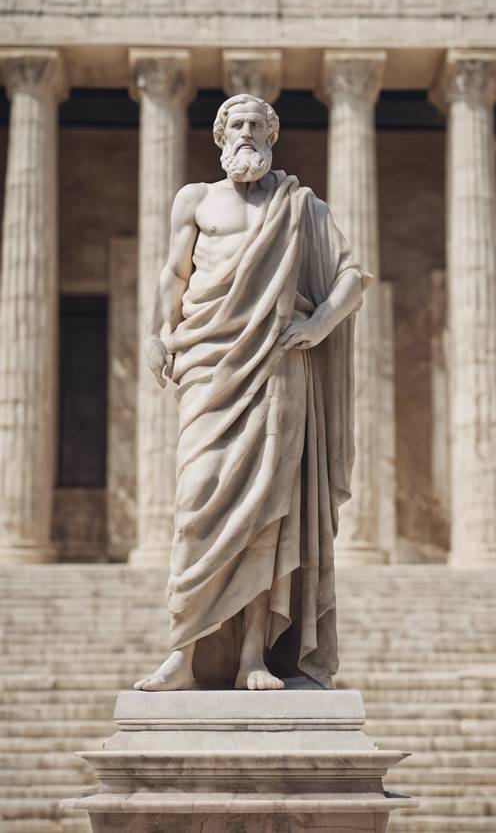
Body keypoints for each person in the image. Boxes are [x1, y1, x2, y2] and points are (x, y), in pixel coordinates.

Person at [135, 93, 371, 692]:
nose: (246, 134)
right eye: (235, 125)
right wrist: (159, 329)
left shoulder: (301, 208)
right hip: (210, 361)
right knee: (196, 504)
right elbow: (174, 271)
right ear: (220, 137)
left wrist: (317, 326)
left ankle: (252, 660)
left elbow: (350, 277)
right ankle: (182, 655)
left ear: (272, 135)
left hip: (277, 366)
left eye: (257, 126)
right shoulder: (195, 199)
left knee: (268, 515)